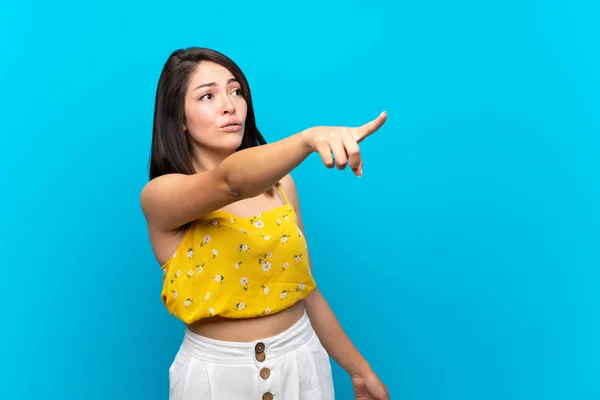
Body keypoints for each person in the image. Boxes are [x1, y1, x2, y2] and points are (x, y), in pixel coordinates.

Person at [140, 47, 390, 400]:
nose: (229, 105)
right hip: (215, 378)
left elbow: (305, 287)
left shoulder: (282, 186)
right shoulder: (161, 197)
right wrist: (309, 138)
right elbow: (230, 183)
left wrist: (359, 370)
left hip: (302, 363)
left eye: (236, 90)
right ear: (178, 117)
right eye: (207, 96)